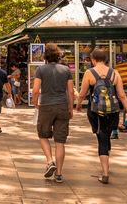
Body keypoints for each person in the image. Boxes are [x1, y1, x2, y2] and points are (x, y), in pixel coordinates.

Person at [76, 48, 127, 184]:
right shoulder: (115, 73)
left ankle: (105, 173)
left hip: (96, 111)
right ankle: (106, 163)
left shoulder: (89, 73)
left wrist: (78, 104)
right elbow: (122, 95)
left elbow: (82, 93)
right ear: (106, 59)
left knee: (101, 138)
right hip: (113, 111)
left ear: (93, 59)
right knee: (107, 135)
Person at [32, 43, 74, 183]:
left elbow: (36, 89)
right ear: (58, 55)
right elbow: (71, 91)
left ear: (45, 56)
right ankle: (59, 174)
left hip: (46, 106)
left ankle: (50, 161)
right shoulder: (66, 70)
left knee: (43, 135)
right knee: (60, 142)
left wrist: (35, 102)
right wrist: (70, 108)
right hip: (62, 106)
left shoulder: (41, 70)